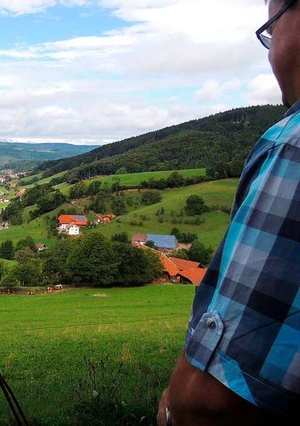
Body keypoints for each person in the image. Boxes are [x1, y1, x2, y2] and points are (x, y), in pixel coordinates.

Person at [157, 1, 300, 425]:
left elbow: (213, 401)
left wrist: (170, 410)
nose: (271, 53)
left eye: (271, 31)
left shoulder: (292, 148)